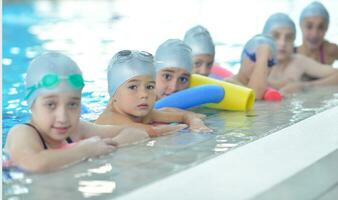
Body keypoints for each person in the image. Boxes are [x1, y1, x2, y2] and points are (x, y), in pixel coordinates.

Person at [4, 52, 149, 173]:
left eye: (72, 104)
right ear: (31, 104)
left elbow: (137, 133)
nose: (63, 117)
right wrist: (85, 150)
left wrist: (106, 145)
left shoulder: (77, 130)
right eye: (50, 104)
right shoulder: (22, 132)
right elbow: (33, 163)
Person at [95, 50, 212, 135]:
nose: (144, 94)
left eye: (150, 86)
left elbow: (184, 115)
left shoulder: (145, 113)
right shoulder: (110, 120)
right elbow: (151, 132)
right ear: (113, 93)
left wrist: (195, 122)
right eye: (133, 87)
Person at [262, 13, 338, 94]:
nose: (282, 43)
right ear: (264, 39)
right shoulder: (255, 64)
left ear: (293, 41)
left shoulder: (299, 62)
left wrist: (304, 86)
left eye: (289, 37)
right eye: (275, 36)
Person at [225, 34, 277, 99]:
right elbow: (254, 97)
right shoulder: (228, 83)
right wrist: (262, 57)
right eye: (254, 58)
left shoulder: (269, 86)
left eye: (268, 63)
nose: (260, 67)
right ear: (243, 57)